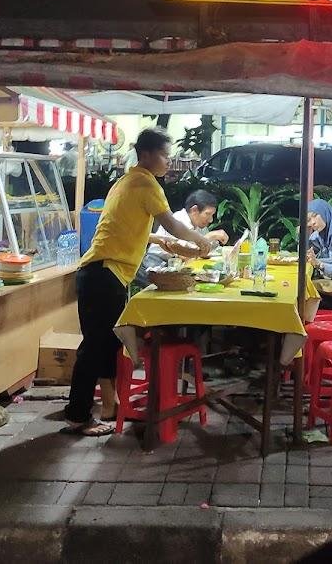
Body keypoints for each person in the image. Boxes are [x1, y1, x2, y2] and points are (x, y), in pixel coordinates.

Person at [63, 128, 212, 436]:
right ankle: (78, 415)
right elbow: (171, 222)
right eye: (164, 155)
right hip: (105, 273)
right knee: (94, 347)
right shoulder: (146, 182)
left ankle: (108, 405)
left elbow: (132, 226)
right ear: (146, 154)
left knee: (105, 344)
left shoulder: (126, 180)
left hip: (101, 273)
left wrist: (161, 241)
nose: (168, 162)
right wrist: (200, 241)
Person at [134, 189, 229, 288]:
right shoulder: (178, 221)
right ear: (194, 210)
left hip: (174, 264)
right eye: (207, 214)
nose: (210, 219)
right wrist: (208, 237)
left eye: (212, 215)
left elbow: (201, 250)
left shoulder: (199, 225)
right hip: (156, 263)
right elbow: (183, 254)